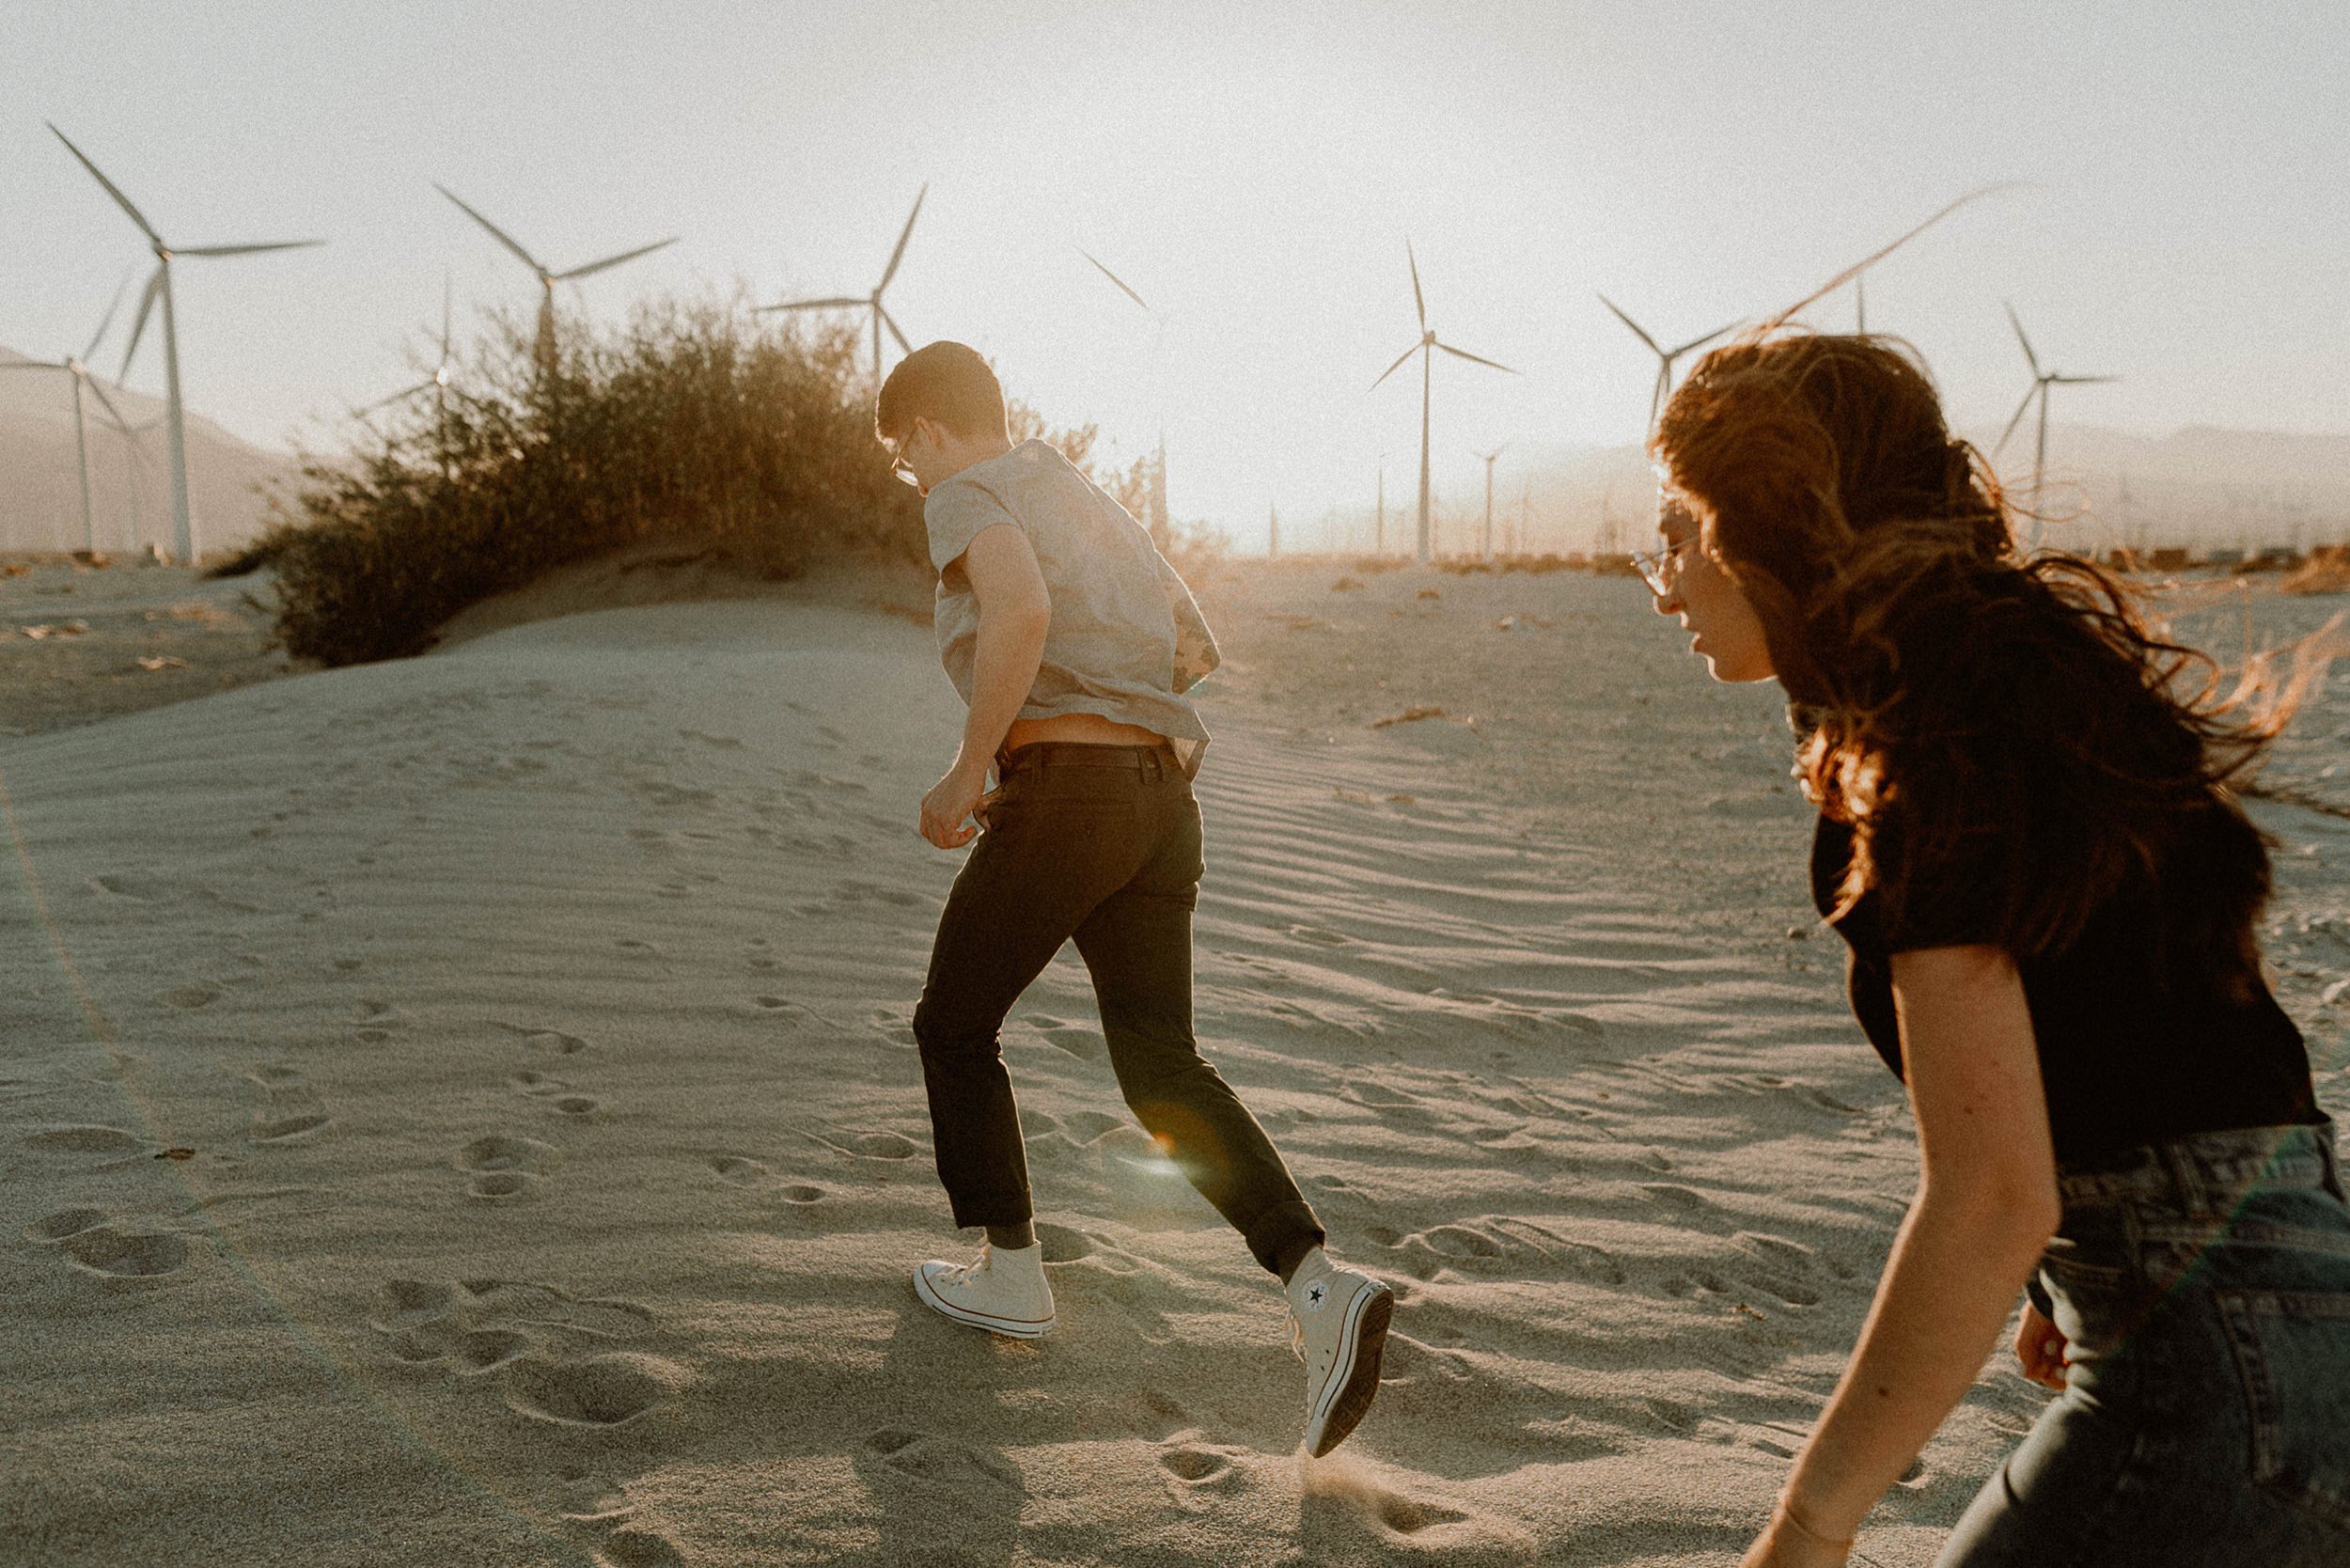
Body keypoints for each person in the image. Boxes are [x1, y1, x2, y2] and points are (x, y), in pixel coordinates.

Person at [1637, 330, 2350, 1567]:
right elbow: (2175, 1031)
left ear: (1766, 528)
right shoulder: (2047, 690)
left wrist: (1808, 1525)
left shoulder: (1924, 754)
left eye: (1679, 534)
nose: (1662, 582)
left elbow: (1990, 1193)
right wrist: (2058, 1277)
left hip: (2211, 1373)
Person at [878, 340, 1391, 1458]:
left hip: (1069, 791)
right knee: (1160, 1057)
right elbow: (1194, 645)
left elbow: (1013, 610)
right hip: (1161, 797)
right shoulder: (1082, 491)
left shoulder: (969, 491)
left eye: (902, 458)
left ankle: (1010, 1274)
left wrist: (973, 767)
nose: (913, 482)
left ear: (922, 429)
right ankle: (1318, 1284)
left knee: (952, 1024)